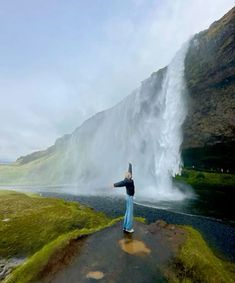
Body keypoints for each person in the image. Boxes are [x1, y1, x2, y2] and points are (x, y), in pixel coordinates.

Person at [113, 163, 135, 233]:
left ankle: (125, 227)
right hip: (130, 197)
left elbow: (130, 172)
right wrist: (114, 185)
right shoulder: (128, 181)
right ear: (129, 176)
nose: (131, 174)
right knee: (130, 213)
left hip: (128, 196)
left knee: (127, 211)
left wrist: (130, 165)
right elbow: (121, 183)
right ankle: (128, 228)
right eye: (130, 175)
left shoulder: (127, 179)